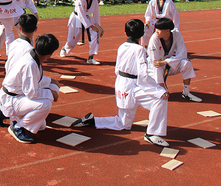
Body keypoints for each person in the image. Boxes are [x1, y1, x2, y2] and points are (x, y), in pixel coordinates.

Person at [72, 19, 170, 147]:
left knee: (124, 124)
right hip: (133, 86)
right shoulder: (139, 49)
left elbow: (117, 69)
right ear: (142, 33)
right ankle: (152, 133)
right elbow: (143, 75)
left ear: (125, 33)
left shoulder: (122, 46)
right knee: (160, 99)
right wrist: (159, 90)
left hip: (122, 84)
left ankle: (93, 121)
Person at [0, 32, 61, 144]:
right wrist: (52, 93)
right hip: (12, 98)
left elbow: (35, 80)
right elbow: (31, 93)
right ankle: (17, 127)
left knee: (41, 126)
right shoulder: (30, 64)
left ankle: (10, 114)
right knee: (46, 104)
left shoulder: (33, 56)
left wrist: (51, 81)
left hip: (16, 93)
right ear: (50, 54)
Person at [147, 18, 202, 102]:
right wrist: (162, 87)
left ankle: (186, 93)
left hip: (169, 64)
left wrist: (167, 61)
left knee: (186, 63)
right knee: (157, 67)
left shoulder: (177, 35)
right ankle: (160, 89)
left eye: (159, 29)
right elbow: (155, 62)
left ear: (167, 31)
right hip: (155, 68)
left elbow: (183, 54)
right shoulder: (154, 39)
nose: (156, 31)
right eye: (156, 28)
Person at [60, 0, 103, 65]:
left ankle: (91, 57)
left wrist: (98, 26)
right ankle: (65, 48)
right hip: (76, 19)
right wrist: (91, 26)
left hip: (87, 18)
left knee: (95, 34)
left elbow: (96, 14)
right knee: (73, 40)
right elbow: (81, 15)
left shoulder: (94, 0)